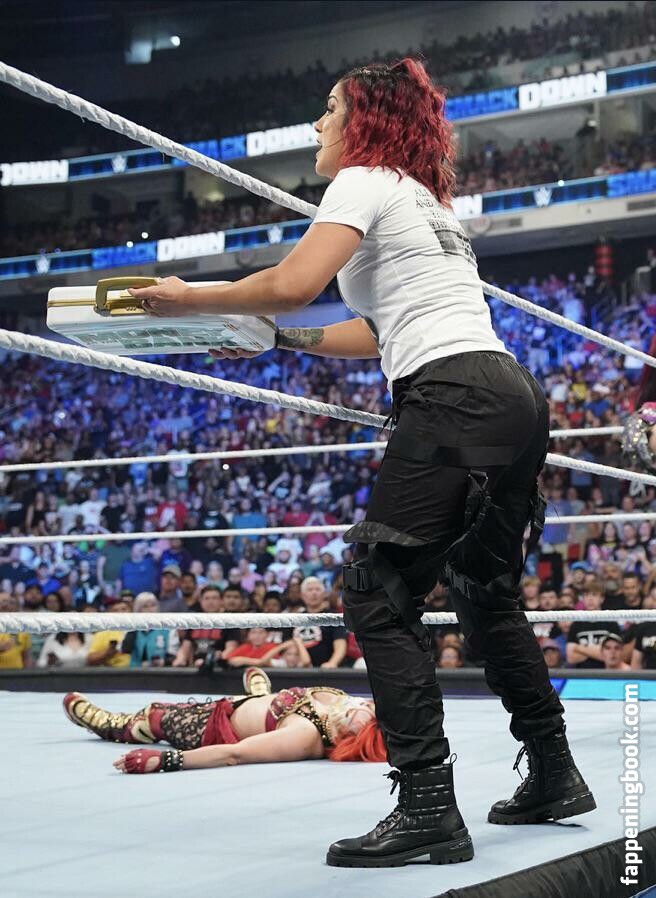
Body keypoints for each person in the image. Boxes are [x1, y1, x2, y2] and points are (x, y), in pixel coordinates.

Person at [128, 57, 595, 867]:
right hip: (509, 393)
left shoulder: (364, 178)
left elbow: (293, 280)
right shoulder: (423, 199)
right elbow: (378, 332)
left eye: (330, 107)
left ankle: (427, 806)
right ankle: (554, 773)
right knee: (483, 592)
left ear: (366, 120)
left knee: (376, 589)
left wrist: (191, 298)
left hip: (455, 395)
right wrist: (280, 339)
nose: (318, 123)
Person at [62, 667, 383, 773]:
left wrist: (165, 760)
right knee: (265, 700)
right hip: (249, 706)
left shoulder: (304, 735)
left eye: (366, 713)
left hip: (215, 725)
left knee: (153, 717)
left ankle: (111, 724)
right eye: (370, 705)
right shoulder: (343, 706)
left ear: (352, 735)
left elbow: (234, 754)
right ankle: (260, 694)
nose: (364, 705)